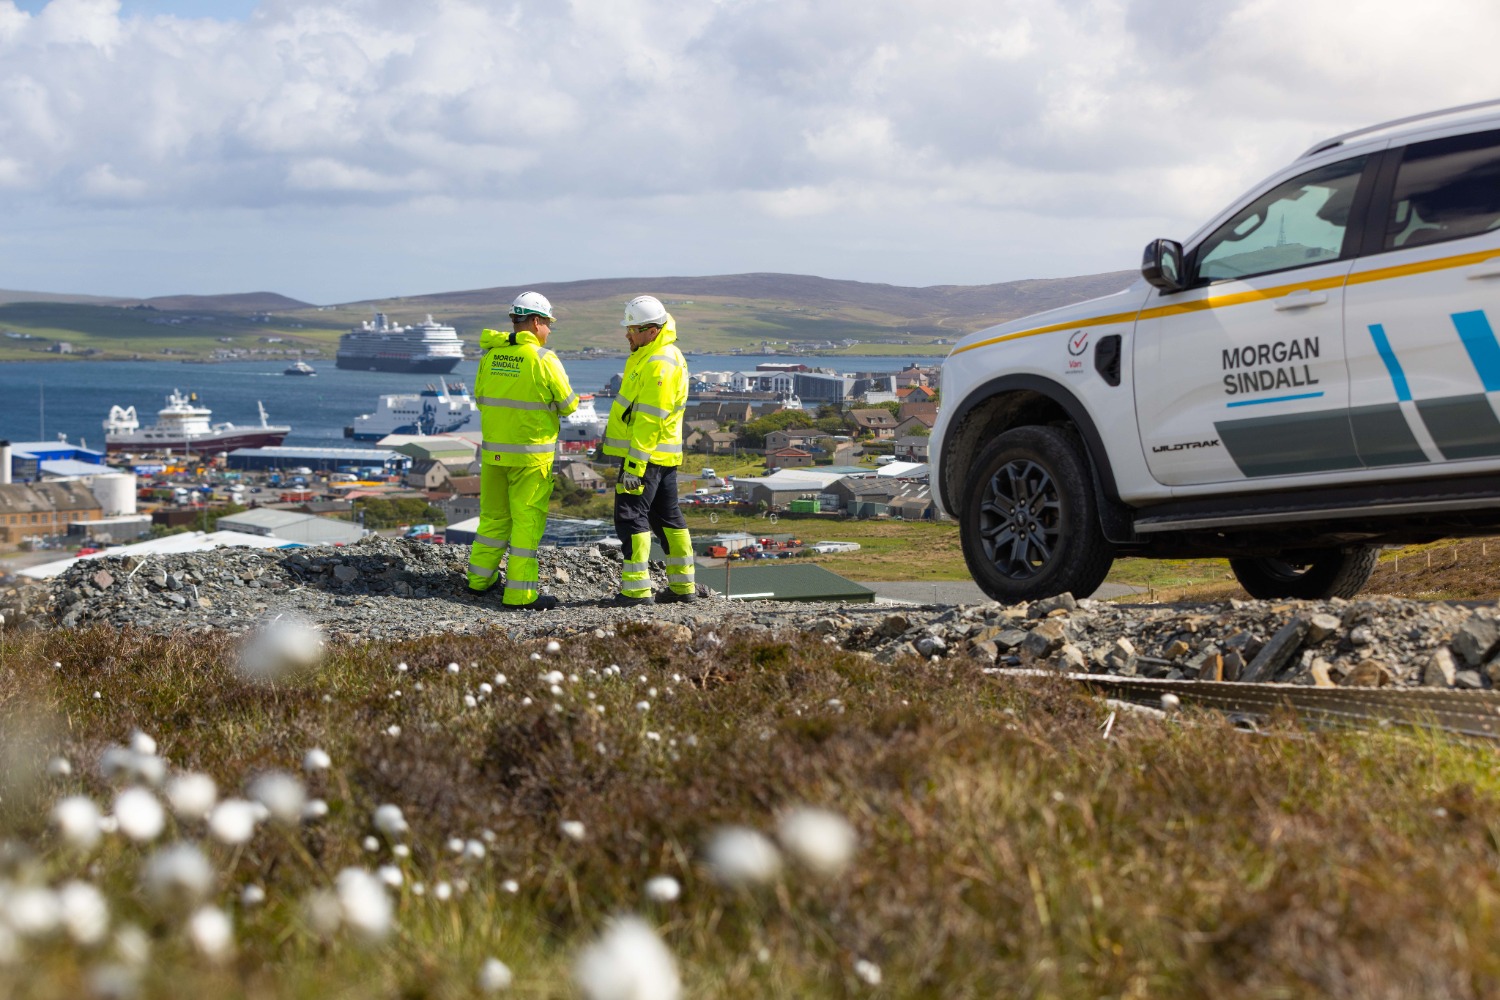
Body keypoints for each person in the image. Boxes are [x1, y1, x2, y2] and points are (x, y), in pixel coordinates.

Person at [466, 291, 578, 611]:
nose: (549, 331)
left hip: (493, 454)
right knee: (526, 522)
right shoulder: (543, 359)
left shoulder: (490, 355)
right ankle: (520, 594)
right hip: (531, 456)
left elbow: (480, 398)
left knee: (493, 519)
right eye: (548, 324)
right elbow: (569, 406)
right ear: (536, 322)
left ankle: (479, 580)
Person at [601, 294, 695, 606]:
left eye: (633, 328)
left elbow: (648, 420)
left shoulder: (658, 363)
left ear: (652, 330)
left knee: (630, 518)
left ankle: (636, 591)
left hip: (646, 457)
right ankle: (683, 588)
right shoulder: (658, 355)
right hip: (662, 456)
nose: (627, 333)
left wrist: (634, 466)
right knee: (667, 518)